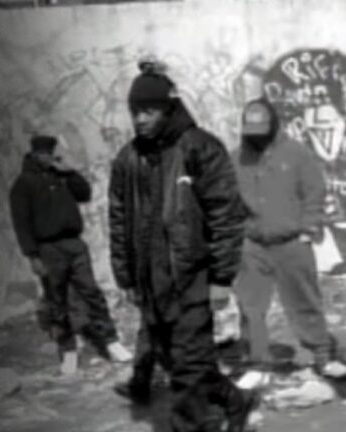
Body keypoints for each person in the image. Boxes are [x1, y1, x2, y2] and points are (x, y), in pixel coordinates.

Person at [108, 59, 258, 432]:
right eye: (135, 112)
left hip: (192, 278)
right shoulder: (128, 158)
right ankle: (235, 400)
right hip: (151, 283)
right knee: (180, 362)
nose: (140, 119)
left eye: (149, 111)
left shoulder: (200, 148)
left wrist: (221, 278)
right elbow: (119, 219)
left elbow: (226, 215)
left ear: (168, 109)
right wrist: (126, 277)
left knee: (188, 370)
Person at [232, 98, 346, 384]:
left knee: (305, 301)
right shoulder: (235, 158)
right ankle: (257, 364)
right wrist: (237, 234)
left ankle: (322, 357)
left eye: (262, 127)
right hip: (252, 244)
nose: (257, 134)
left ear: (273, 124)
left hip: (292, 242)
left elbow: (314, 191)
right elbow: (226, 199)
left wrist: (309, 227)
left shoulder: (297, 153)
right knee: (250, 307)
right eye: (251, 128)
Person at [9, 135, 131, 374]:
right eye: (43, 153)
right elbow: (21, 223)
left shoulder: (61, 176)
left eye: (50, 153)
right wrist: (32, 256)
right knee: (57, 300)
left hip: (75, 244)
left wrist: (70, 172)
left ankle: (111, 342)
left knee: (92, 293)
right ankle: (68, 350)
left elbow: (84, 194)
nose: (48, 157)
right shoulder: (23, 184)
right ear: (34, 154)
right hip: (48, 248)